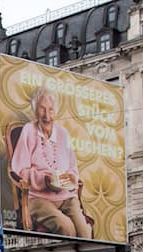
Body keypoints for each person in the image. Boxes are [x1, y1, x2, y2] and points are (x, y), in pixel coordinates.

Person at [11, 86, 92, 238]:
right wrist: (44, 180)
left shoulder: (63, 133)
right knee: (67, 228)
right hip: (37, 198)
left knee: (85, 234)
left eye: (51, 110)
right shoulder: (29, 130)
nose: (47, 116)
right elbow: (20, 170)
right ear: (35, 111)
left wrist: (67, 180)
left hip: (66, 197)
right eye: (42, 109)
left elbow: (73, 170)